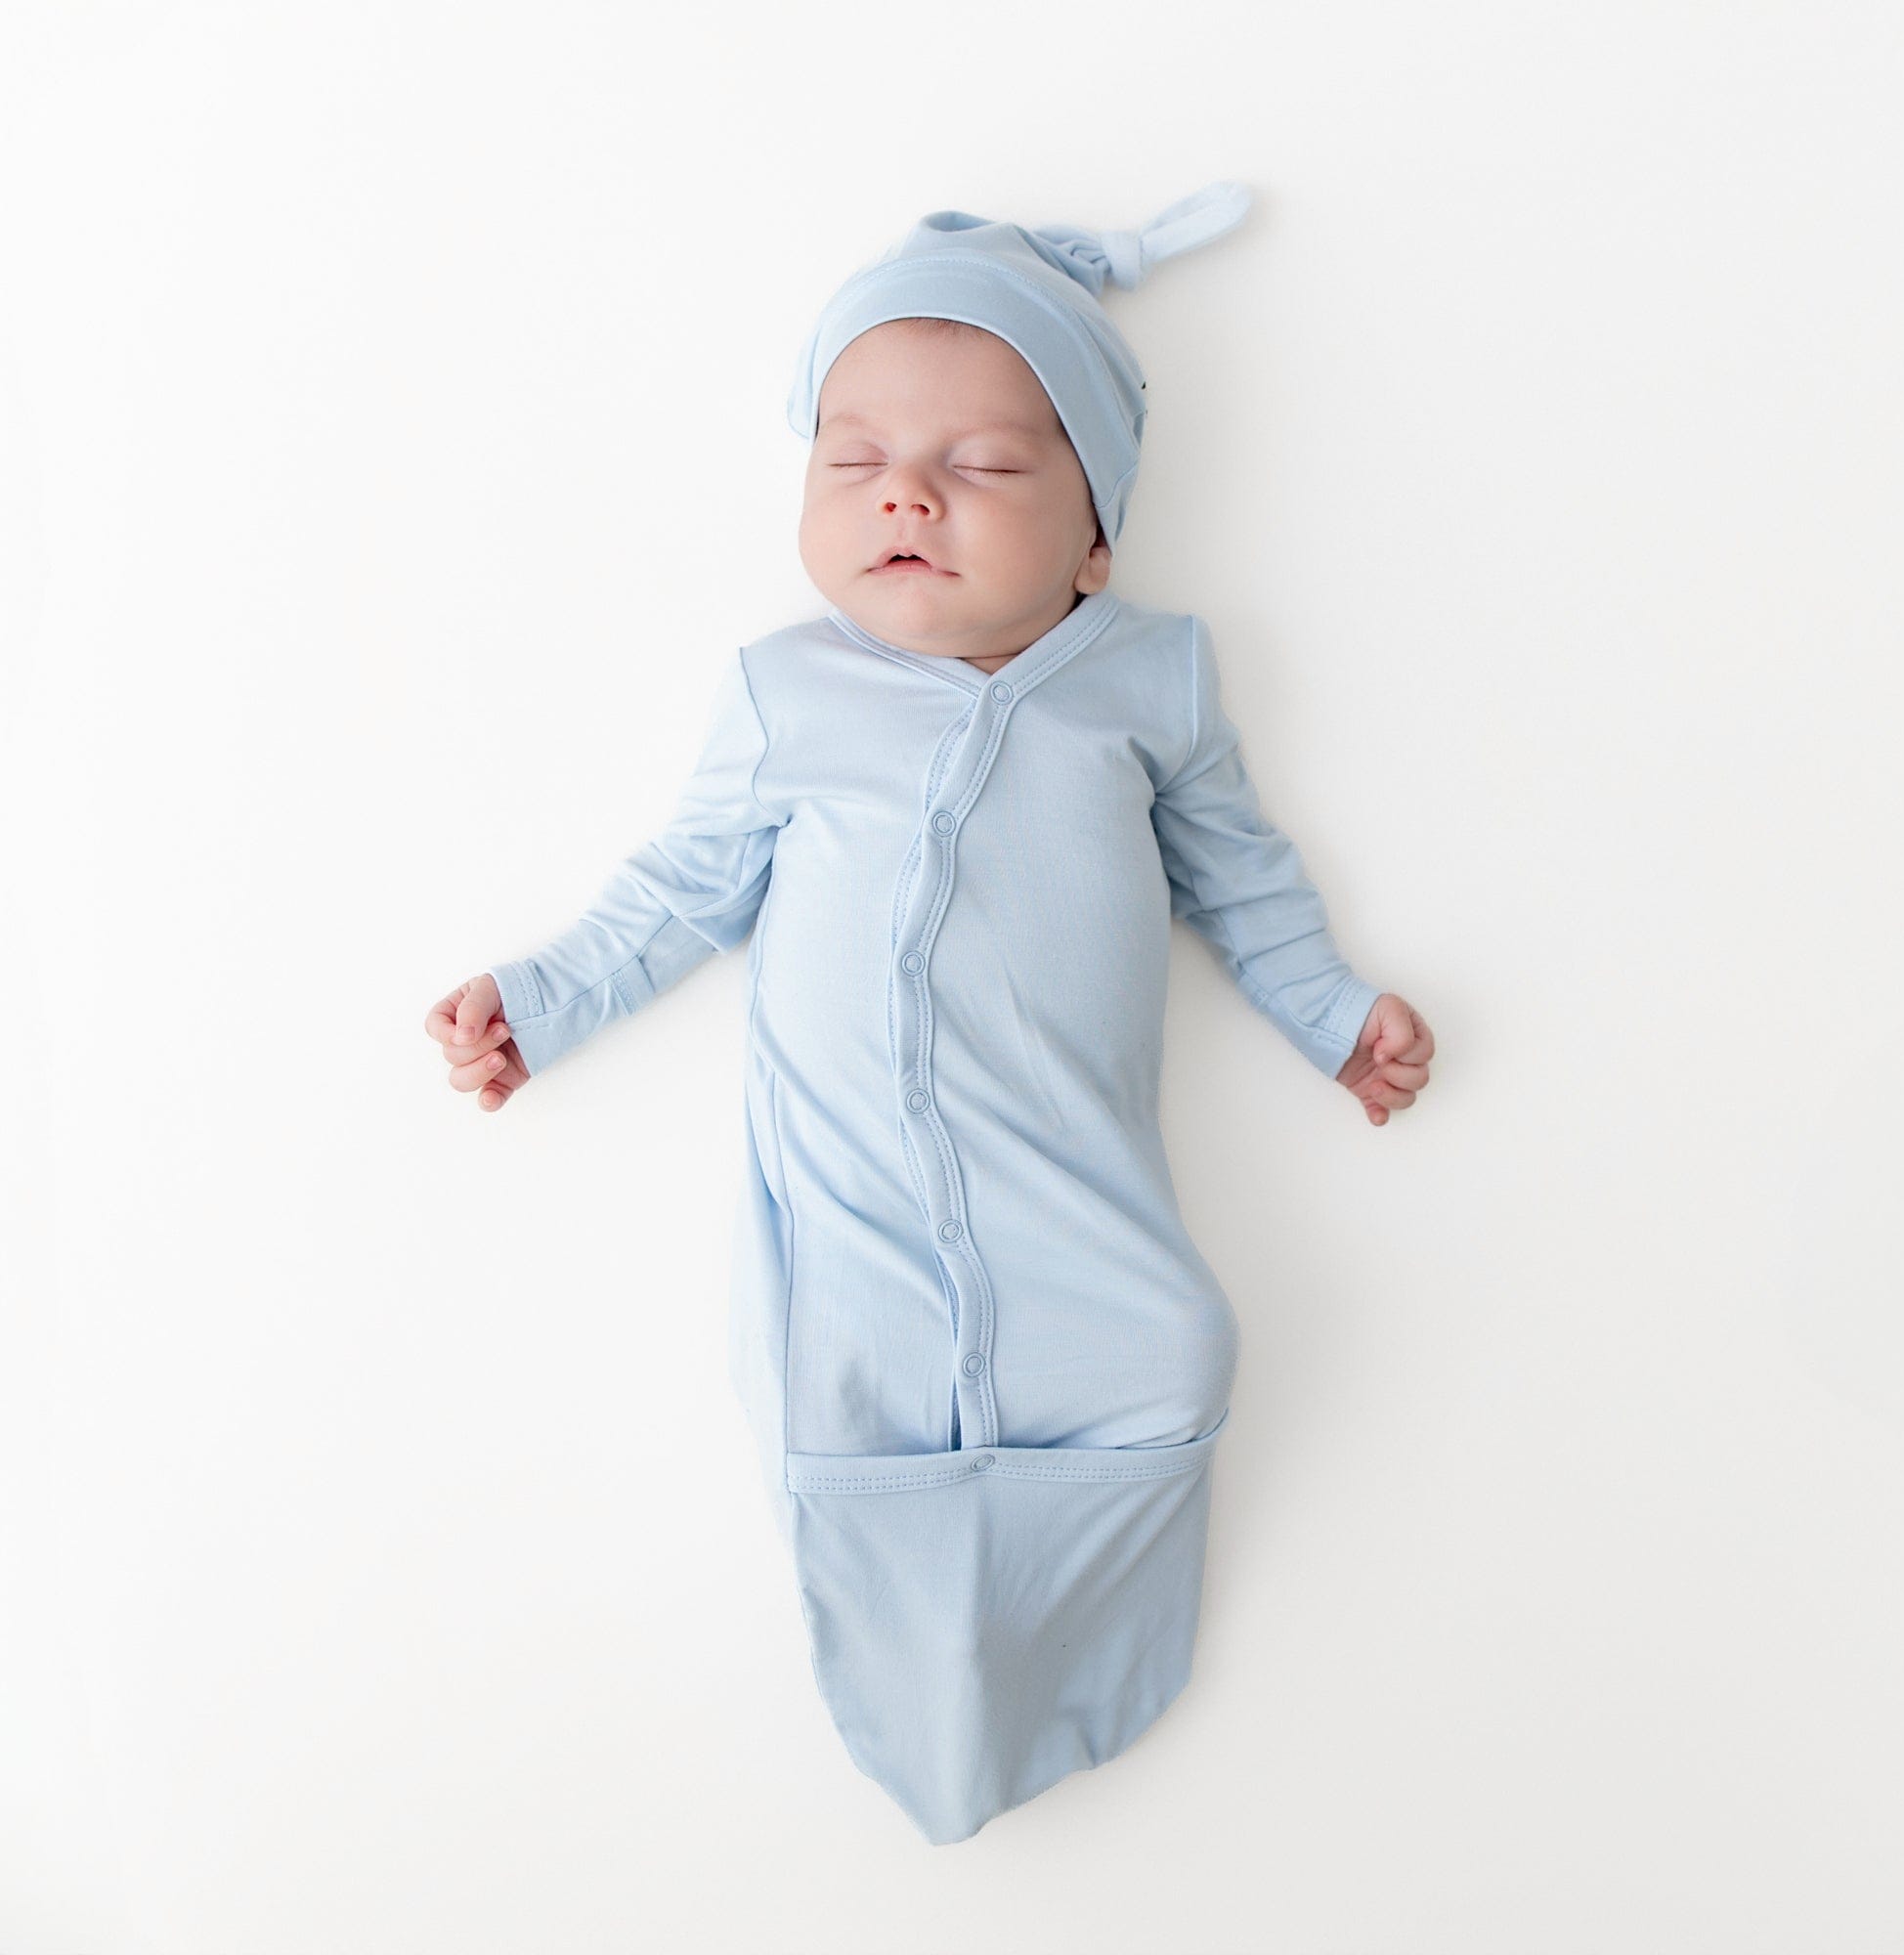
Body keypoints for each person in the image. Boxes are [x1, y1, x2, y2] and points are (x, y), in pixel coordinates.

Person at [423, 182, 1437, 1845]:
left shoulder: (1148, 680)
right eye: (858, 460)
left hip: (1072, 1179)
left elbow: (1242, 879)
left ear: (1096, 532)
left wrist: (1333, 1012)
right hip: (862, 1204)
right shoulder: (784, 694)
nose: (908, 488)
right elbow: (680, 890)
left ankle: (1086, 1647)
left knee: (1171, 1343)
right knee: (848, 1394)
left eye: (983, 464)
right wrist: (538, 1001)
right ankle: (924, 1703)